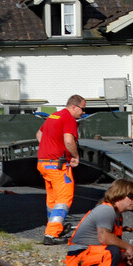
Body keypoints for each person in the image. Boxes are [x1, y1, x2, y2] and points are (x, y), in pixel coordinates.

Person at [64, 178, 133, 266]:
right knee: (112, 252)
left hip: (91, 255)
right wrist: (128, 247)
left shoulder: (116, 214)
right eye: (131, 196)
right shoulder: (106, 210)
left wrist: (125, 256)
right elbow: (104, 237)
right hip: (78, 258)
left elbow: (107, 245)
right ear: (118, 195)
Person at [37, 95, 85, 245]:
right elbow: (69, 140)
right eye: (82, 109)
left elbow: (39, 134)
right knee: (64, 199)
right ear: (74, 107)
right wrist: (75, 156)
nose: (83, 112)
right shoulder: (69, 119)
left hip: (44, 164)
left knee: (53, 199)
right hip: (58, 166)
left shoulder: (54, 116)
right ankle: (51, 234)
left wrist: (50, 147)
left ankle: (53, 229)